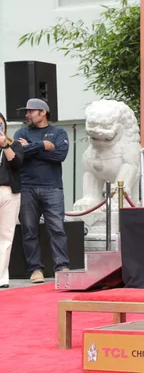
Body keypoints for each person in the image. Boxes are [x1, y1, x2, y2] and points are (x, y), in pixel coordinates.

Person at [14, 98, 70, 283]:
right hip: (26, 187)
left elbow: (60, 155)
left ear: (43, 112)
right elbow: (18, 155)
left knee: (57, 229)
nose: (27, 115)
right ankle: (35, 269)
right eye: (27, 111)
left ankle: (62, 266)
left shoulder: (58, 132)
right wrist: (41, 146)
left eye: (31, 111)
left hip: (52, 187)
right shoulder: (21, 132)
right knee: (29, 231)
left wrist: (30, 147)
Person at [0, 113, 24, 289]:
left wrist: (4, 145)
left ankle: (2, 277)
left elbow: (16, 163)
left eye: (0, 125)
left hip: (9, 192)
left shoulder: (14, 144)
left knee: (6, 236)